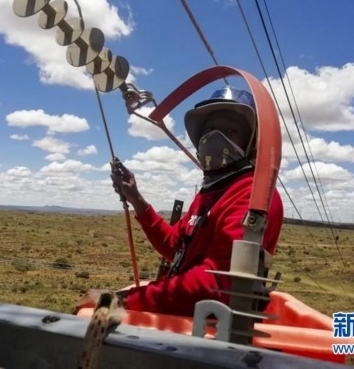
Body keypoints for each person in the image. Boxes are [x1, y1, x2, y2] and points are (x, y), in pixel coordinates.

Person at [80, 86, 283, 317]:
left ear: (252, 142)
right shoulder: (211, 193)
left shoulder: (251, 193)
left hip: (213, 328)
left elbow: (217, 283)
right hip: (189, 317)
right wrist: (136, 199)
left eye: (230, 130)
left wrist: (125, 300)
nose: (216, 138)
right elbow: (175, 246)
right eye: (210, 130)